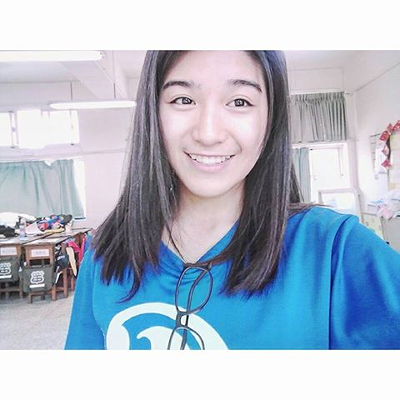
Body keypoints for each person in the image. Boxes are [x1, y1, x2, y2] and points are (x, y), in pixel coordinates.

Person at [65, 51, 400, 350]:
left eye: (240, 102)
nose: (208, 134)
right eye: (183, 99)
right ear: (153, 113)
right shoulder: (105, 253)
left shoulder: (334, 249)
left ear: (271, 118)